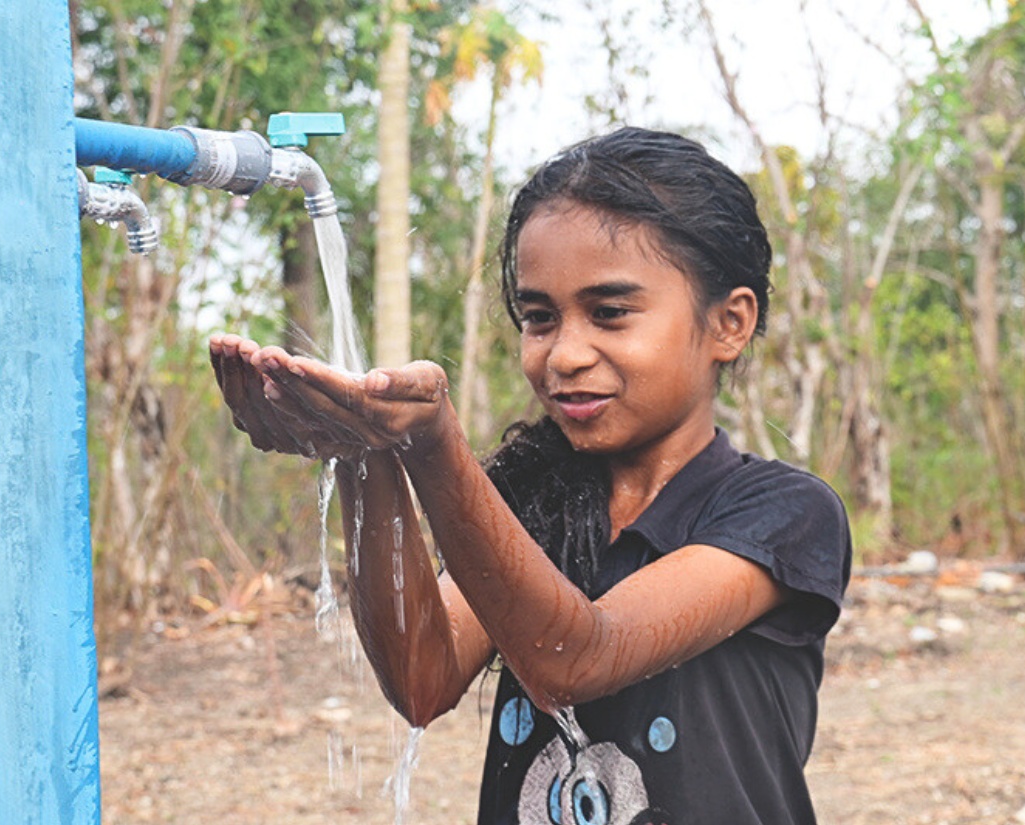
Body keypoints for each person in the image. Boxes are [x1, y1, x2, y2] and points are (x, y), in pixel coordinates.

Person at [209, 127, 852, 825]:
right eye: (540, 318)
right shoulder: (535, 504)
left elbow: (577, 659)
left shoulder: (785, 513)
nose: (565, 354)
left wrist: (433, 441)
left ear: (729, 322)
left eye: (610, 313)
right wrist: (364, 451)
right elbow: (423, 678)